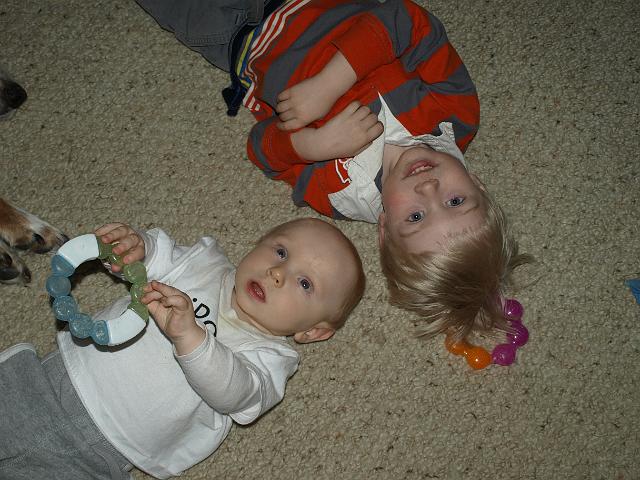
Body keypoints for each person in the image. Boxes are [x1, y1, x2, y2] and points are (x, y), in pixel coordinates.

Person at [134, 0, 531, 342]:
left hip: (239, 44)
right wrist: (329, 84)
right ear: (478, 184)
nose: (429, 189)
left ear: (384, 229)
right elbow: (406, 20)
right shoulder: (455, 112)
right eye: (456, 201)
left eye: (415, 217)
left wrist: (312, 145)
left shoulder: (342, 193)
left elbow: (261, 150)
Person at [0, 218, 365, 480]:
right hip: (47, 382)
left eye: (305, 283)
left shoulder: (271, 358)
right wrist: (133, 247)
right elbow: (156, 256)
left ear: (313, 331)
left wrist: (192, 338)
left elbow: (239, 395)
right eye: (281, 251)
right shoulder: (205, 262)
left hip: (97, 454)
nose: (277, 273)